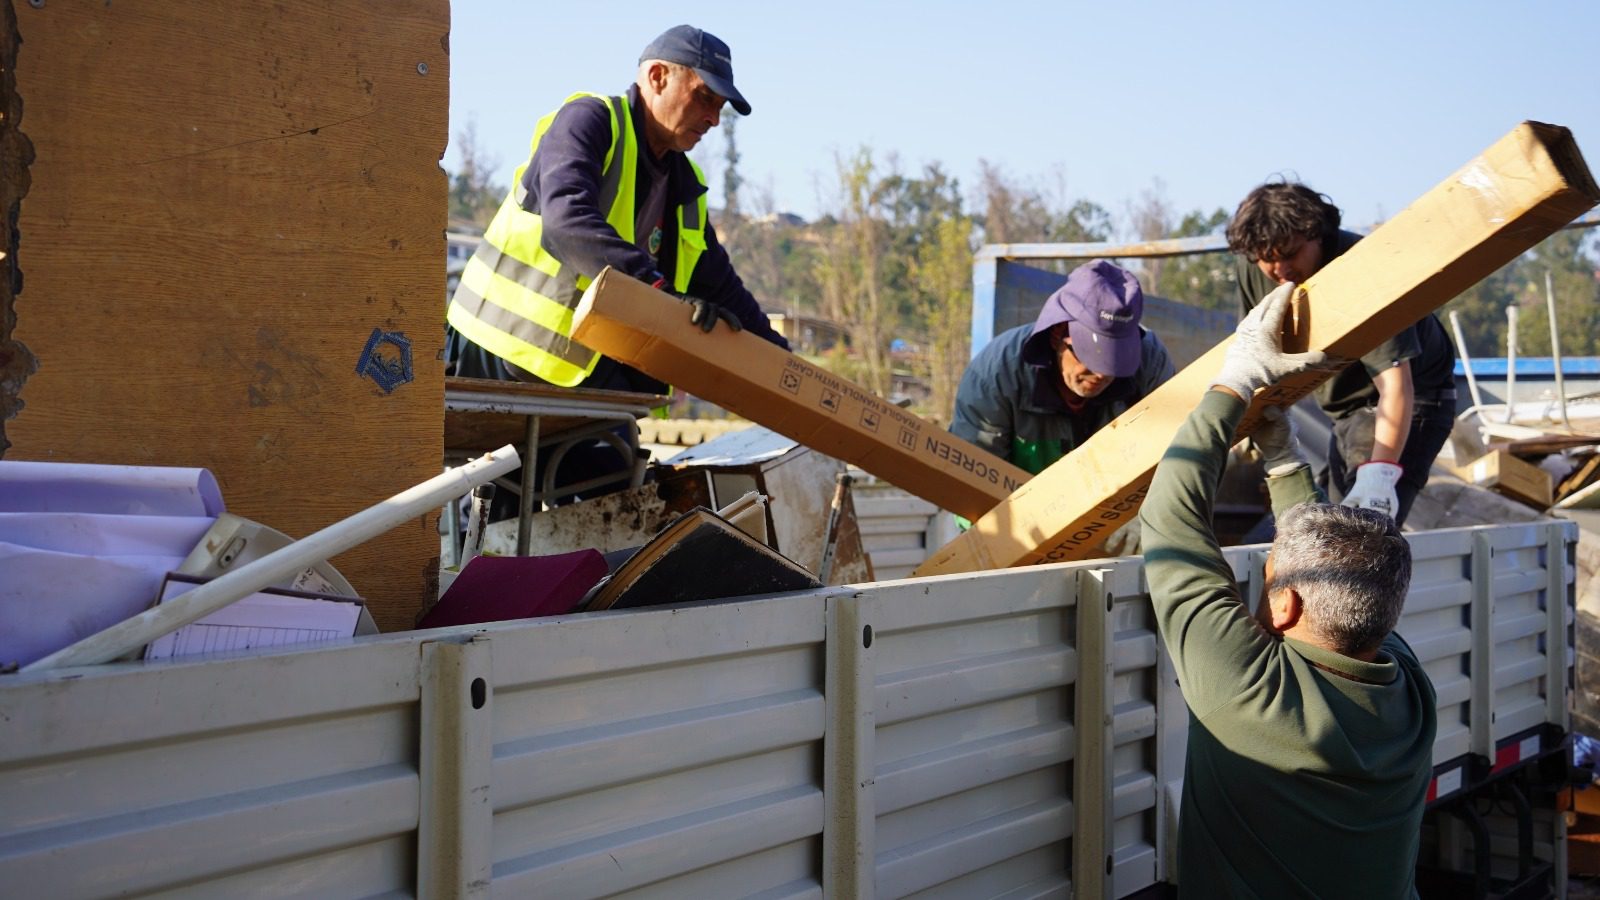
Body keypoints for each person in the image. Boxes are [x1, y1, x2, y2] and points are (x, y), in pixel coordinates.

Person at [1140, 284, 1437, 897]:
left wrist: (1237, 379)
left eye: (1270, 569)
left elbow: (1168, 518)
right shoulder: (1408, 692)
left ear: (1286, 603)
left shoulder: (1252, 694)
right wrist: (1283, 464)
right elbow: (1339, 571)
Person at [445, 24, 789, 503]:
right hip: (500, 348)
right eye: (705, 97)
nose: (714, 118)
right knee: (607, 490)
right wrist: (659, 293)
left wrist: (785, 366)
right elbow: (567, 222)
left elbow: (721, 288)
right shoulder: (590, 121)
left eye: (720, 107)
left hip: (573, 365)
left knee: (602, 493)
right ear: (657, 76)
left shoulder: (684, 188)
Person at [1228, 179, 1456, 526]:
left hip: (1410, 398)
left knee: (1362, 529)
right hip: (1346, 408)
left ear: (1316, 234)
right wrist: (1244, 420)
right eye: (1267, 261)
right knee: (1325, 524)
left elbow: (1396, 386)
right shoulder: (1256, 261)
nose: (1281, 271)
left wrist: (1379, 475)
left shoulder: (1362, 271)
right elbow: (1256, 354)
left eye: (1290, 255)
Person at [949, 259, 1175, 553]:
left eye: (1115, 361)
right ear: (1058, 335)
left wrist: (1149, 506)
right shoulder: (997, 375)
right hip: (1017, 538)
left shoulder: (1150, 364)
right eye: (1091, 357)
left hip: (1111, 540)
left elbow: (1175, 454)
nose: (1103, 374)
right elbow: (972, 485)